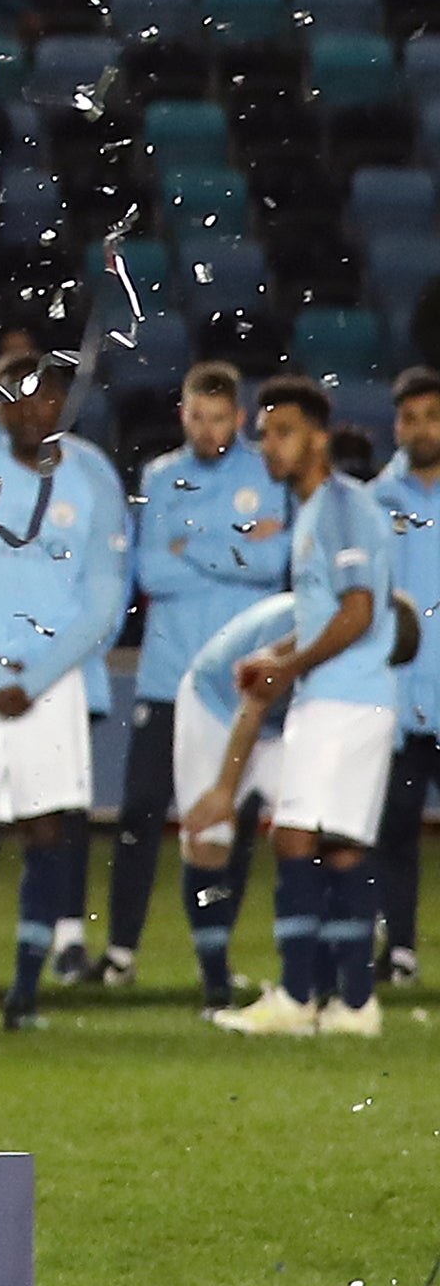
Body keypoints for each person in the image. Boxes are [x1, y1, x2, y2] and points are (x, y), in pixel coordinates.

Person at [0, 356, 129, 1026]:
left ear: (64, 403)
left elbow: (105, 596)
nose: (31, 410)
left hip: (52, 679)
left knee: (47, 827)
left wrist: (34, 677)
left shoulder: (93, 474)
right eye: (16, 399)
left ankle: (27, 994)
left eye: (45, 398)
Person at [203, 378, 397, 1039]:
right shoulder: (320, 507)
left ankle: (294, 995)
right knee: (341, 846)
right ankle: (355, 1003)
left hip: (342, 698)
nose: (269, 445)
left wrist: (288, 667)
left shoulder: (338, 504)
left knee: (293, 835)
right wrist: (277, 650)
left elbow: (358, 611)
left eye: (283, 431)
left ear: (318, 435)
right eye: (264, 433)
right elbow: (328, 612)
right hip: (360, 696)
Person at [126, 362, 274, 1000]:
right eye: (196, 415)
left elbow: (278, 559)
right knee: (139, 814)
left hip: (237, 685)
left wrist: (196, 548)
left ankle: (216, 955)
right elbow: (151, 571)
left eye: (220, 416)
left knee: (230, 821)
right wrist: (238, 545)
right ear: (182, 415)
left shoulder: (268, 471)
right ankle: (118, 952)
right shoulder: (159, 476)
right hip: (166, 676)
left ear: (238, 418)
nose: (208, 427)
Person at [364, 368, 440, 993]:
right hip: (398, 698)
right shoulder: (372, 502)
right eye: (410, 418)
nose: (421, 430)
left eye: (432, 417)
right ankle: (401, 949)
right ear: (396, 426)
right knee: (394, 834)